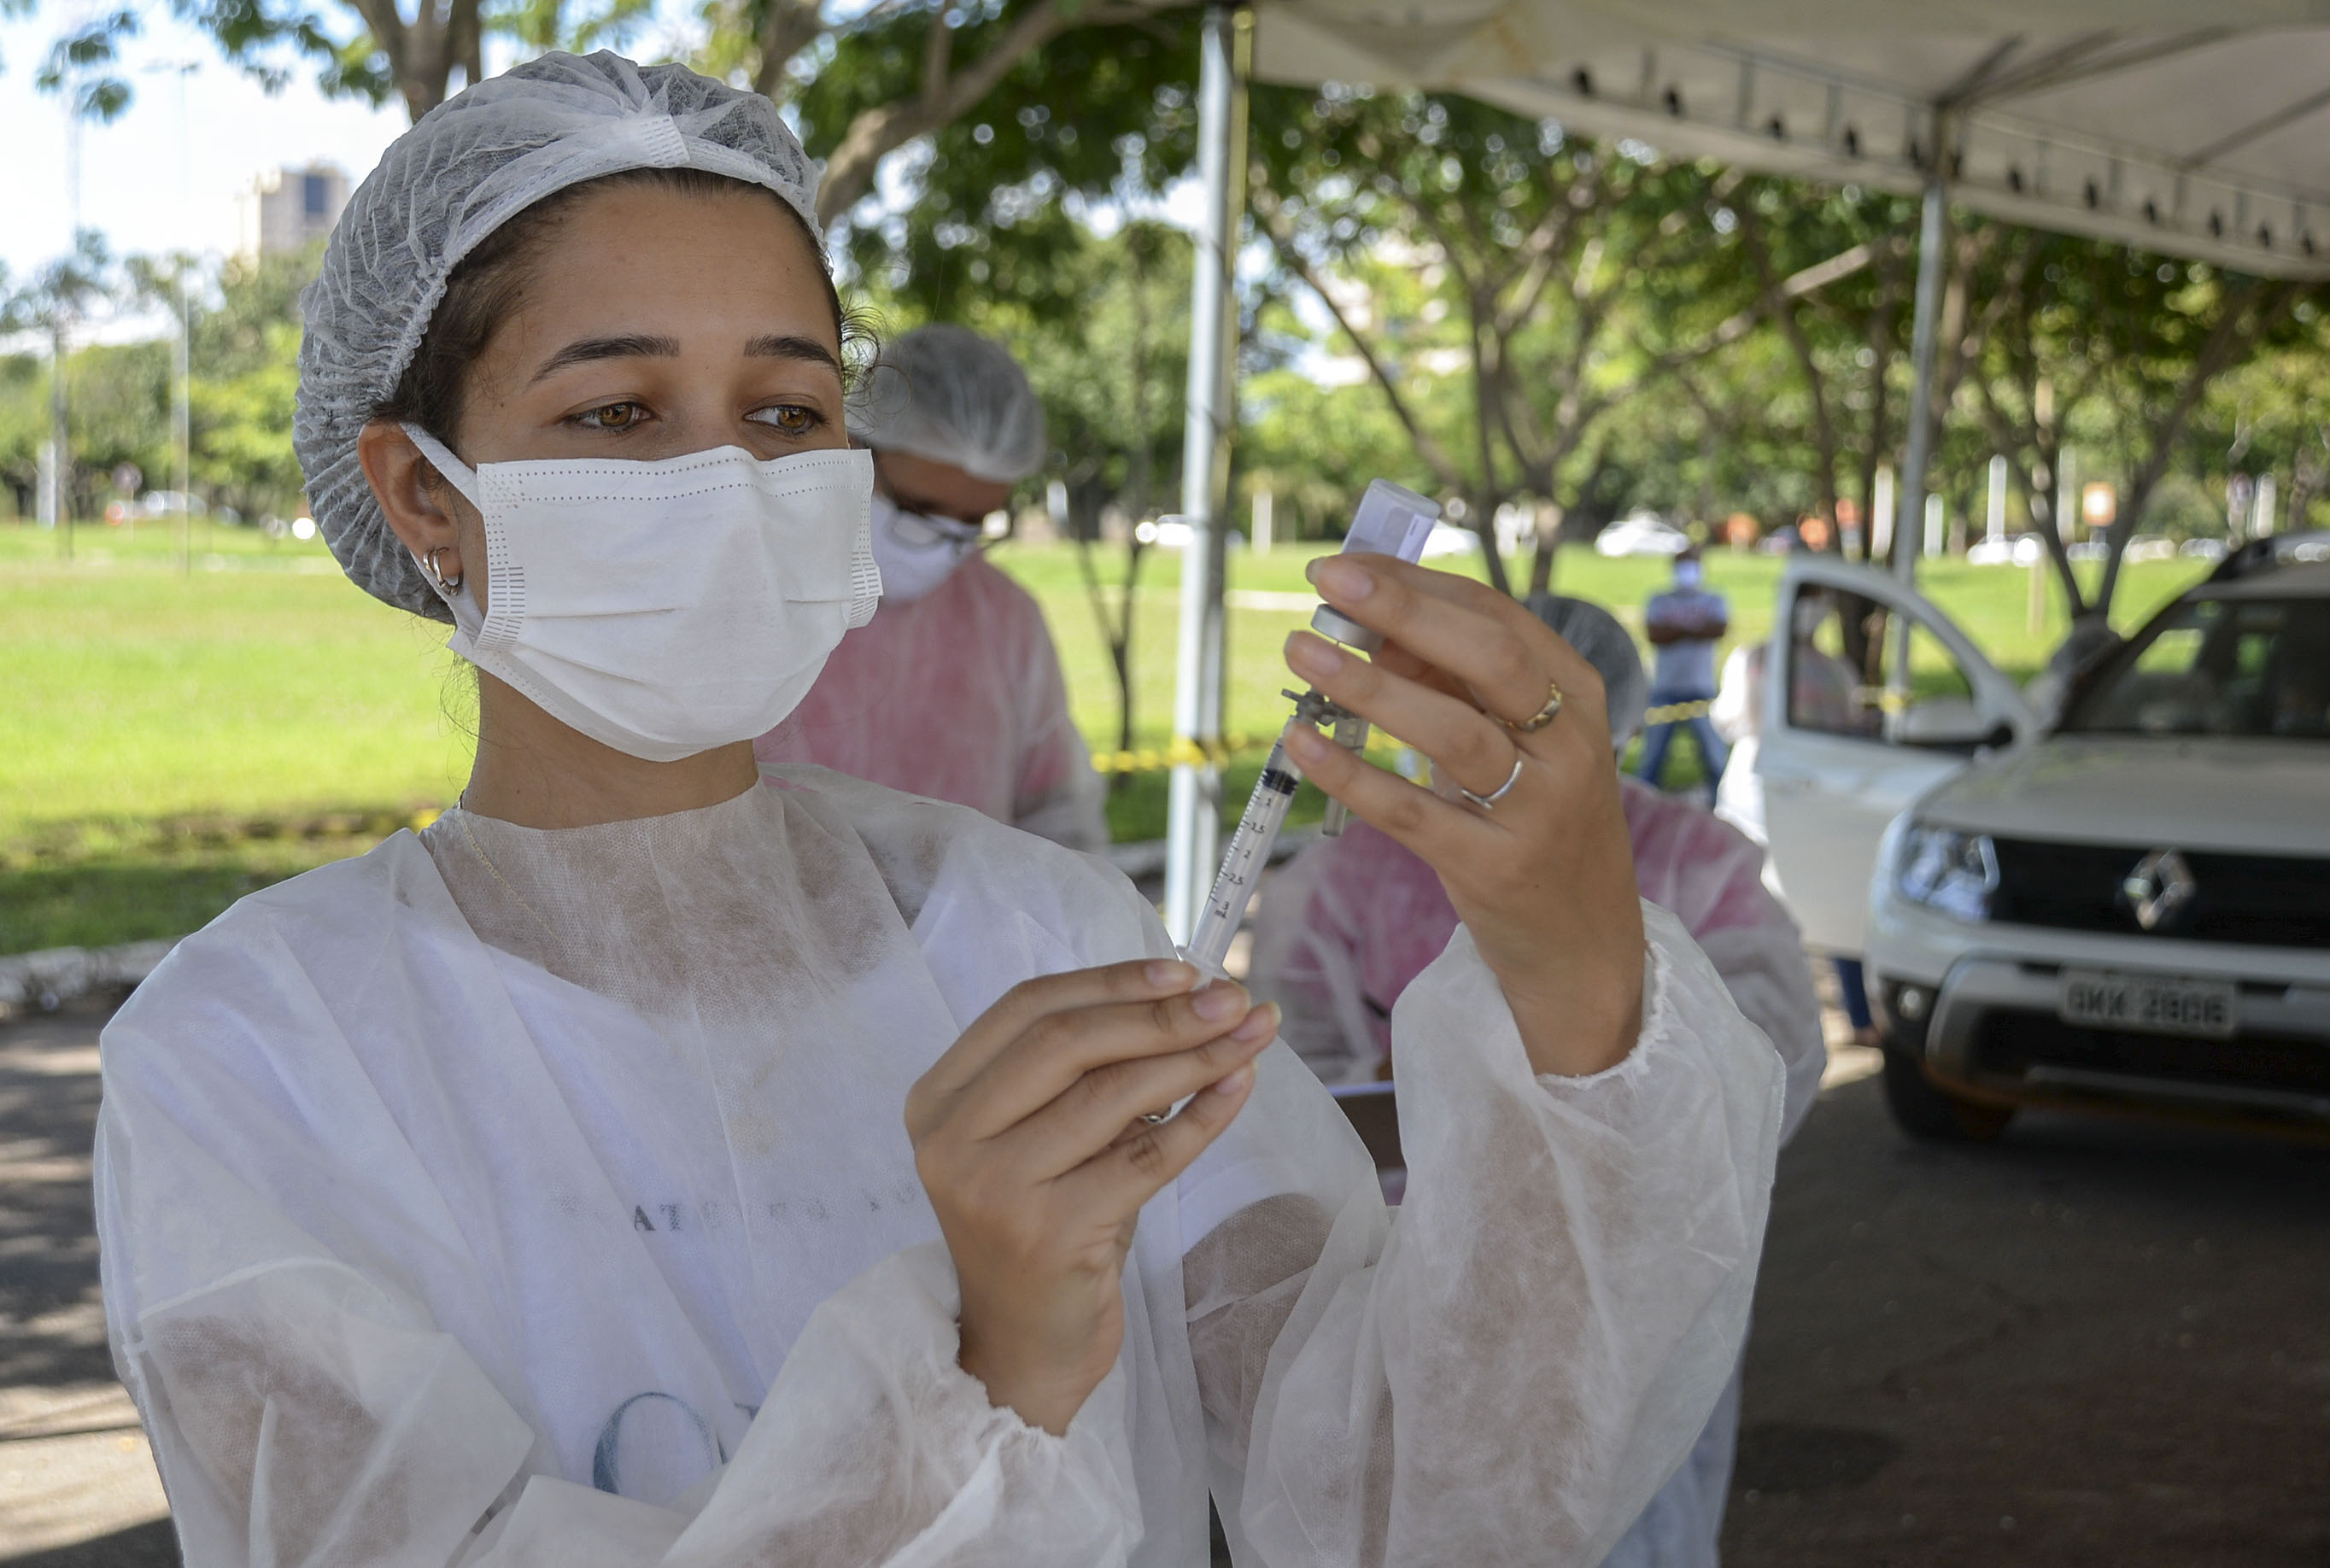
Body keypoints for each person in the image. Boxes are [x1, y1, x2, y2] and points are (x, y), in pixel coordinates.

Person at [93, 54, 1783, 1568]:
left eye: (787, 410)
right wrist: (994, 1371)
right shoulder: (260, 1056)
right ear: (420, 496)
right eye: (617, 413)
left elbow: (1422, 1505)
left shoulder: (1035, 944)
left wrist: (1575, 991)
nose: (728, 485)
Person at [1250, 595, 1826, 1568]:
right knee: (1398, 1498)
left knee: (1627, 1503)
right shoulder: (1352, 870)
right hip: (1385, 1258)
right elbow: (1288, 1071)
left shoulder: (1695, 863)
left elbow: (1768, 1073)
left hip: (1643, 1273)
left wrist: (1591, 1059)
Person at [754, 325, 1109, 850]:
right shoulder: (748, 590)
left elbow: (1058, 817)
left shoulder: (1002, 618)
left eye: (973, 524)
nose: (944, 548)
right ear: (851, 446)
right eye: (921, 512)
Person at [1637, 546, 1731, 791]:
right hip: (1664, 690)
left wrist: (1677, 630)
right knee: (1651, 762)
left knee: (1715, 761)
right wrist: (1695, 629)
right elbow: (1656, 634)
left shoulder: (1715, 599)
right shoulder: (1658, 599)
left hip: (1702, 690)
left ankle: (1720, 810)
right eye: (1682, 565)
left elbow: (1718, 629)